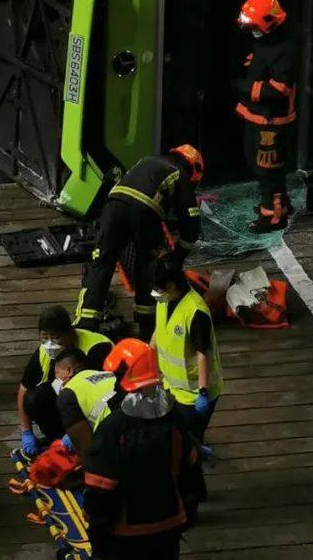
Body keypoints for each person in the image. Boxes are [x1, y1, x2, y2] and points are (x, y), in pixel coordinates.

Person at [83, 339, 202, 560]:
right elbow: (192, 473)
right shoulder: (176, 419)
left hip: (125, 533)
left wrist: (97, 531)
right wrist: (186, 516)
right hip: (169, 526)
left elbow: (101, 486)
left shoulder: (114, 427)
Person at [75, 146, 204, 340]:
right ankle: (147, 326)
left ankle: (86, 324)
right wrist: (178, 254)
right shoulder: (180, 173)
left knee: (102, 263)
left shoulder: (147, 160)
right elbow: (191, 222)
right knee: (147, 267)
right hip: (144, 212)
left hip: (113, 206)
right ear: (193, 168)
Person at [235, 0, 296, 232]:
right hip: (257, 116)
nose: (252, 31)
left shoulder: (285, 50)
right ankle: (280, 204)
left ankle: (273, 216)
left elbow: (280, 88)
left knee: (268, 171)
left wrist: (246, 87)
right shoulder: (265, 42)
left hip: (270, 121)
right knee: (255, 162)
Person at [17, 305, 111, 454]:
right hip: (67, 401)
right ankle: (57, 439)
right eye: (44, 338)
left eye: (55, 338)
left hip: (99, 407)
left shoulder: (97, 349)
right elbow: (25, 387)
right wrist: (26, 431)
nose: (49, 344)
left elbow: (104, 396)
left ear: (70, 332)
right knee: (34, 399)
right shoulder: (44, 350)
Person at [149, 256, 223, 440]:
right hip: (171, 386)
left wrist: (203, 392)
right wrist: (147, 356)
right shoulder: (164, 302)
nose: (155, 293)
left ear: (172, 285)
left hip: (194, 394)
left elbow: (202, 354)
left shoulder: (195, 312)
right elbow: (159, 331)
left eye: (158, 288)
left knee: (191, 437)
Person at [54, 348, 117, 458]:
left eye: (57, 374)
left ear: (69, 370)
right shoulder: (108, 374)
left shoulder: (68, 393)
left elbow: (87, 451)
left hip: (117, 439)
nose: (56, 380)